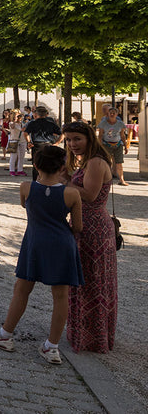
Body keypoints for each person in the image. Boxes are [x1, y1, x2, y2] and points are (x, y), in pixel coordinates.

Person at [0, 145, 83, 365]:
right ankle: (51, 346)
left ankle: (5, 334)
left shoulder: (26, 187)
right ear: (62, 167)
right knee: (61, 295)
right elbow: (78, 226)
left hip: (35, 241)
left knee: (22, 289)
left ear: (35, 165)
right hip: (62, 243)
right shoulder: (72, 193)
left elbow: (25, 205)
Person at [62, 121, 118, 353]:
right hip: (86, 226)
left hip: (94, 229)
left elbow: (90, 195)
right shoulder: (87, 160)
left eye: (77, 139)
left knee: (92, 284)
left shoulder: (95, 162)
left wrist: (63, 181)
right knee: (84, 283)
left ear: (89, 139)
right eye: (68, 139)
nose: (72, 144)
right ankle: (85, 335)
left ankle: (93, 339)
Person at [24, 106, 62, 181]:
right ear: (46, 114)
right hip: (49, 145)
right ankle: (49, 180)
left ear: (36, 114)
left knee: (36, 164)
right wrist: (57, 143)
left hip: (37, 145)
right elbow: (62, 133)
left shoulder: (33, 123)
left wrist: (29, 142)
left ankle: (36, 182)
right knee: (49, 164)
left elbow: (25, 133)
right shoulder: (51, 123)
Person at [96, 105, 130, 186]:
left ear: (117, 114)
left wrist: (125, 146)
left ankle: (121, 180)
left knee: (119, 163)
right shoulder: (103, 123)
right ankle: (105, 180)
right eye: (110, 113)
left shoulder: (120, 124)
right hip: (106, 144)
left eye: (114, 113)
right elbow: (100, 135)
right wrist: (99, 146)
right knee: (106, 162)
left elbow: (122, 135)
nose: (112, 114)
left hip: (118, 145)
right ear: (108, 114)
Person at [7, 110, 27, 176]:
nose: (18, 117)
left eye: (19, 116)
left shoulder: (22, 123)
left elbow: (25, 130)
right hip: (14, 140)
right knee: (13, 156)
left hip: (22, 141)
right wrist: (15, 120)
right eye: (17, 116)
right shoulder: (11, 123)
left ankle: (20, 169)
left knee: (21, 156)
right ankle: (12, 170)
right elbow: (13, 127)